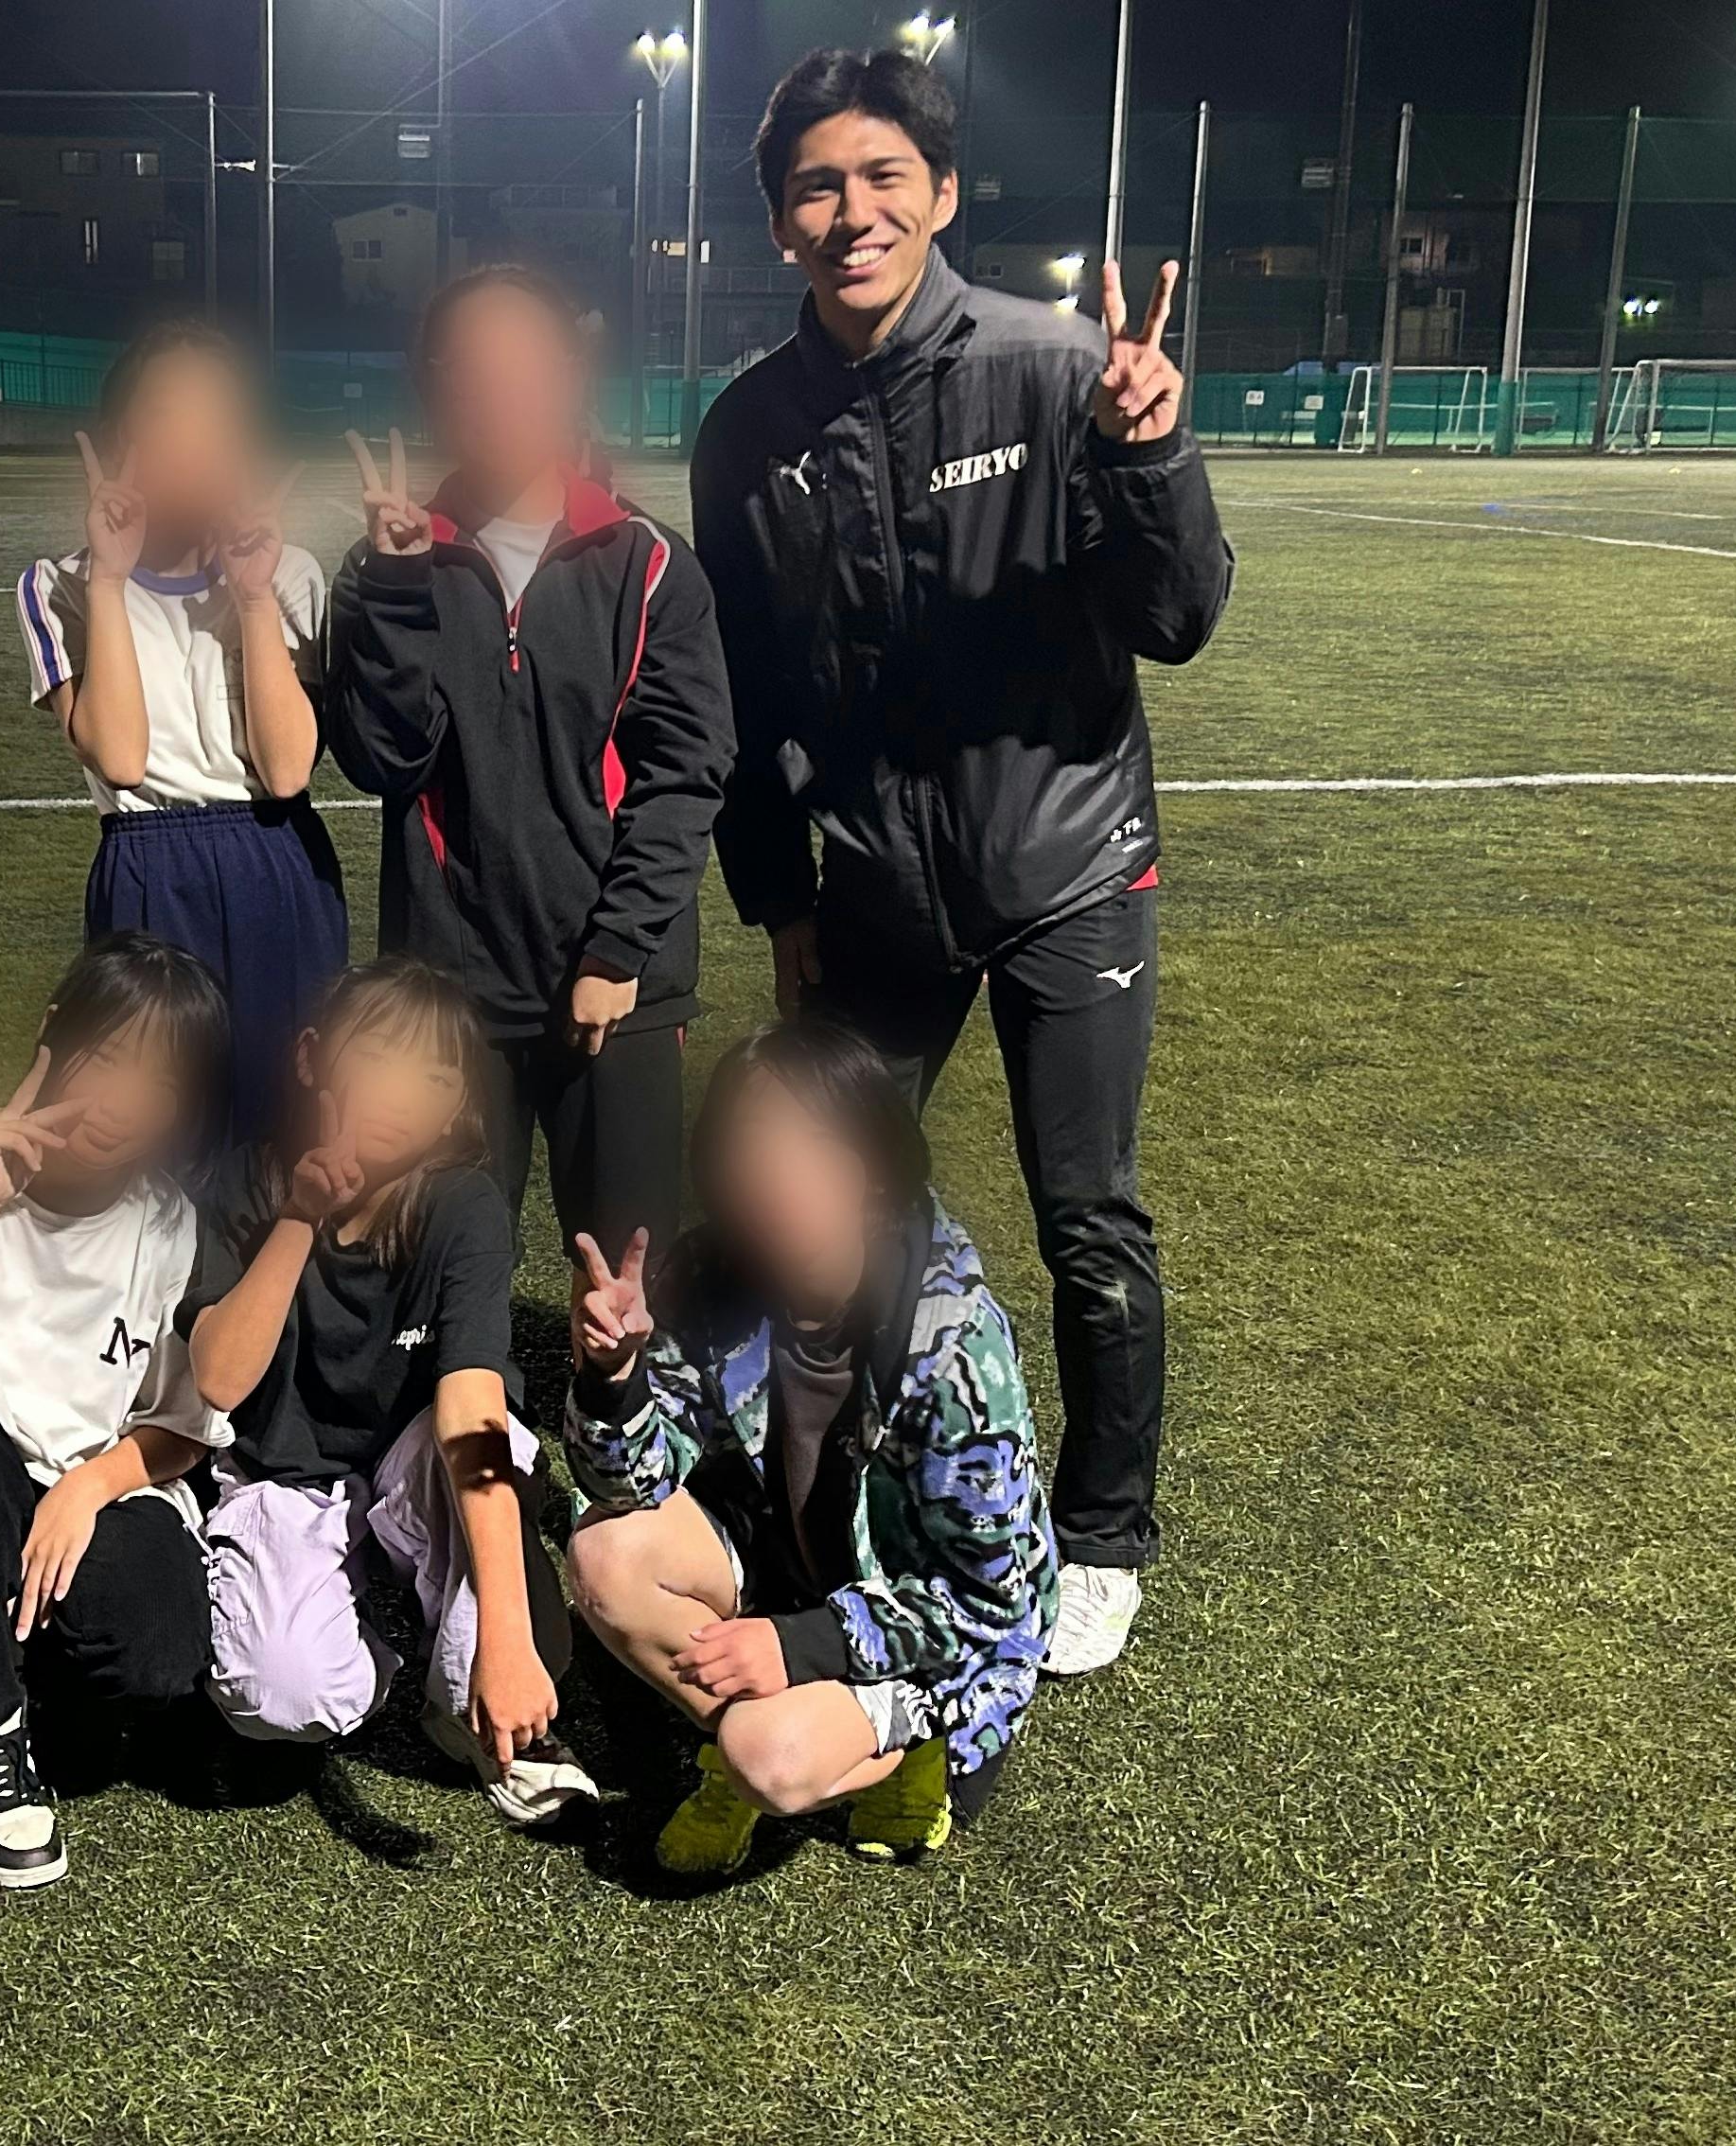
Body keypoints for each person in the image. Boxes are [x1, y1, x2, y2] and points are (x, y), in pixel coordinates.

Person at [687, 50, 1232, 1674]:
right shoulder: (747, 434)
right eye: (815, 186)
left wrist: (1146, 452)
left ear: (938, 192)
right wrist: (780, 896)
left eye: (880, 177)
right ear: (779, 220)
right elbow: (746, 700)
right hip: (874, 896)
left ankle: (1101, 1535)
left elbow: (1179, 617)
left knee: (1088, 1219)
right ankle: (809, 1509)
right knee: (821, 1208)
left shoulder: (1056, 368)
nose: (849, 212)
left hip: (1071, 871)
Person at [557, 1019, 1064, 1877]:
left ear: (870, 1164)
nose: (771, 1180)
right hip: (789, 1570)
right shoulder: (712, 1273)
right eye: (749, 1151)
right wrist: (615, 1379)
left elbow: (988, 1597)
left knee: (767, 1754)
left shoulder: (953, 1343)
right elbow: (633, 1484)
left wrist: (801, 1647)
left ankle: (907, 1752)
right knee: (604, 1552)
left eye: (805, 1150)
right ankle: (773, 1728)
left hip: (934, 1627)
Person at [324, 264, 734, 1260]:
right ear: (434, 387)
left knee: (628, 1279)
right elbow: (383, 759)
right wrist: (396, 591)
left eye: (526, 367)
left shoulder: (647, 562)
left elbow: (685, 773)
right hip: (450, 1000)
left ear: (569, 378)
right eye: (470, 370)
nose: (500, 394)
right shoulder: (383, 567)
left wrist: (618, 951)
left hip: (617, 992)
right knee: (439, 1273)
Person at [181, 959, 597, 1826]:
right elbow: (219, 1378)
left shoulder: (464, 1205)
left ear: (457, 1107)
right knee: (281, 1697)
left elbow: (473, 1409)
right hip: (285, 1469)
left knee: (505, 1488)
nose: (403, 1094)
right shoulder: (244, 1181)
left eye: (437, 1076)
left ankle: (465, 1700)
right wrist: (299, 1215)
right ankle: (364, 1635)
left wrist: (506, 1642)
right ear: (311, 1058)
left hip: (419, 1464)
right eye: (378, 1056)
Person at [0, 936, 230, 1889]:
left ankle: (4, 1664)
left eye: (161, 1081)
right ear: (56, 1034)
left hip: (82, 1488)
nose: (123, 1103)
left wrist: (88, 1488)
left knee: (158, 1652)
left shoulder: (166, 1218)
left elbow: (181, 1425)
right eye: (110, 1057)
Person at [13, 321, 346, 1146]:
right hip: (147, 867)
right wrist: (111, 579)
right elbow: (121, 759)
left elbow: (288, 770)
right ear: (122, 436)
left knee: (287, 1125)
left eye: (218, 421)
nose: (194, 445)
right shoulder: (59, 584)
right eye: (169, 417)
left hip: (277, 862)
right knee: (154, 1133)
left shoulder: (290, 573)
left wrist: (254, 595)